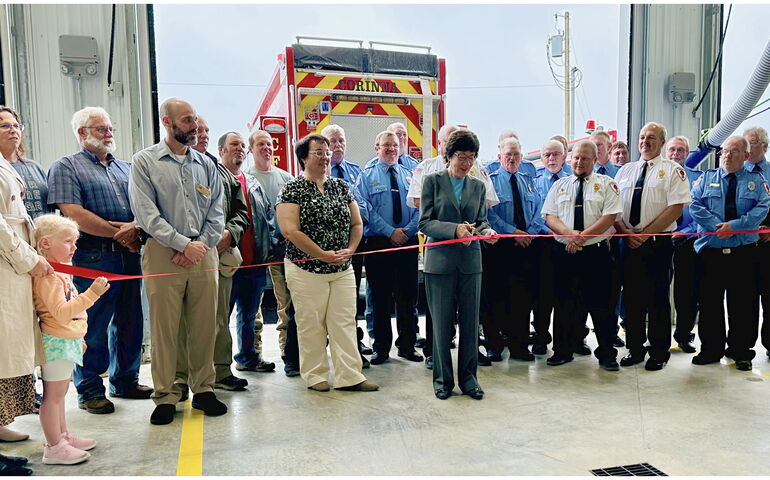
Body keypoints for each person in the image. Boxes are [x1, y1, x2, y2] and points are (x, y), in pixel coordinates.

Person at [129, 98, 226, 425]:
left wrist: (200, 245)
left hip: (203, 253)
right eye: (187, 121)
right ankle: (167, 395)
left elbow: (217, 212)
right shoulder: (144, 162)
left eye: (195, 120)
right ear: (167, 123)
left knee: (203, 325)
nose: (195, 127)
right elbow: (146, 214)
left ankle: (204, 390)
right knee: (164, 328)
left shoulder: (206, 165)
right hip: (162, 253)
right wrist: (183, 244)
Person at [47, 107, 150, 415]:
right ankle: (90, 389)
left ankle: (125, 380)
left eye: (109, 128)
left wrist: (135, 229)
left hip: (131, 255)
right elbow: (72, 213)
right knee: (92, 325)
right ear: (82, 133)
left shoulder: (127, 168)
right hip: (94, 256)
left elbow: (143, 207)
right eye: (101, 129)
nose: (109, 133)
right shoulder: (66, 167)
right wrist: (117, 232)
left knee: (130, 321)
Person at [276, 134, 378, 392]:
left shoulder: (341, 187)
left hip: (342, 269)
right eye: (318, 152)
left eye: (327, 152)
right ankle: (315, 375)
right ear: (304, 158)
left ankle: (350, 375)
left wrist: (350, 250)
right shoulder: (291, 189)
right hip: (305, 269)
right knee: (311, 323)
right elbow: (290, 231)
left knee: (344, 321)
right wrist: (321, 254)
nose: (325, 157)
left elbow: (357, 224)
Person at [407, 124, 498, 367]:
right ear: (449, 156)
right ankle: (443, 379)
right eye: (461, 157)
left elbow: (481, 222)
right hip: (440, 262)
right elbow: (425, 223)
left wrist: (487, 232)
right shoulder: (431, 181)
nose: (466, 163)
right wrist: (453, 229)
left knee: (470, 323)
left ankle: (469, 379)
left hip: (470, 262)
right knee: (441, 324)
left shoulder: (477, 186)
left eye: (471, 158)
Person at [175, 119, 250, 396]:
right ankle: (179, 380)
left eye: (207, 130)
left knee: (218, 319)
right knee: (180, 323)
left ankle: (220, 371)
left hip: (218, 257)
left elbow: (240, 213)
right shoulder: (167, 167)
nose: (202, 134)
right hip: (178, 256)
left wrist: (229, 234)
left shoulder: (224, 175)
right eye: (198, 130)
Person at [614, 122, 691, 371]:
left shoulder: (672, 171)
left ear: (662, 142)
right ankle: (635, 349)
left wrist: (645, 234)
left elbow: (676, 207)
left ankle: (659, 352)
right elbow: (613, 207)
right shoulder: (625, 170)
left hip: (657, 244)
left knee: (657, 298)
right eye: (642, 137)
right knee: (632, 300)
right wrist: (626, 233)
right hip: (628, 243)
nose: (645, 141)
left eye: (652, 138)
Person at [32, 214, 108, 465]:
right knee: (53, 396)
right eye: (67, 241)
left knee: (61, 393)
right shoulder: (48, 277)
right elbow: (62, 314)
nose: (74, 248)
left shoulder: (59, 273)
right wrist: (92, 294)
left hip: (65, 340)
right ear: (45, 244)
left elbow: (70, 317)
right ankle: (53, 447)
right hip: (55, 341)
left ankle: (62, 436)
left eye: (75, 242)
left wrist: (78, 338)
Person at [689, 136, 770, 371]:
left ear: (745, 156)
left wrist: (734, 226)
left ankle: (741, 351)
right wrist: (718, 226)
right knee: (709, 302)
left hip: (743, 252)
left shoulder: (757, 181)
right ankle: (711, 349)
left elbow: (762, 208)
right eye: (724, 151)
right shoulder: (707, 178)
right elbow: (695, 205)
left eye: (734, 152)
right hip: (711, 251)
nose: (727, 155)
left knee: (743, 304)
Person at [542, 140, 623, 371]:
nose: (579, 162)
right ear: (571, 158)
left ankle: (607, 354)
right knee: (564, 304)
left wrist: (581, 238)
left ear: (595, 160)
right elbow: (550, 217)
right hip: (564, 253)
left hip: (595, 255)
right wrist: (570, 235)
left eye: (585, 158)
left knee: (603, 306)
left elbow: (609, 217)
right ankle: (562, 350)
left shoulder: (607, 185)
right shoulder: (560, 186)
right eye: (576, 157)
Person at [0, 150, 53, 476]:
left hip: (13, 266)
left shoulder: (8, 164)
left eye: (13, 124)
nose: (11, 130)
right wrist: (28, 258)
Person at [356, 131, 422, 364]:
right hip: (379, 243)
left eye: (395, 145)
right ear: (377, 148)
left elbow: (419, 207)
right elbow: (364, 209)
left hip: (407, 241)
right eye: (386, 146)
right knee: (381, 299)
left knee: (408, 298)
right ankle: (381, 348)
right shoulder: (366, 176)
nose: (391, 149)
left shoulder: (409, 175)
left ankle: (407, 346)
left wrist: (408, 231)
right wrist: (389, 231)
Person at [218, 132, 278, 375]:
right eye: (234, 145)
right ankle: (220, 367)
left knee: (250, 315)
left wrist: (270, 247)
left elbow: (268, 218)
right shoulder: (216, 179)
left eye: (243, 145)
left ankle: (247, 357)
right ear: (221, 149)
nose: (240, 149)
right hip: (226, 262)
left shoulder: (252, 183)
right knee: (221, 318)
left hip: (255, 262)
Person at [484, 136, 547, 361]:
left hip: (526, 248)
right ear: (499, 156)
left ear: (522, 157)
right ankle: (494, 345)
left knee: (523, 299)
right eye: (508, 154)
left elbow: (540, 209)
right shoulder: (489, 181)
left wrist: (528, 233)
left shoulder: (529, 181)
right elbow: (488, 215)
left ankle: (519, 345)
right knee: (496, 298)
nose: (512, 158)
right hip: (500, 248)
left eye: (516, 154)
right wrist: (513, 232)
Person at [320, 124, 372, 362]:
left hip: (352, 246)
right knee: (322, 303)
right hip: (323, 248)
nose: (338, 145)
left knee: (351, 300)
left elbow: (362, 206)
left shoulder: (355, 172)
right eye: (333, 141)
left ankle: (354, 344)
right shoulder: (318, 171)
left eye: (341, 140)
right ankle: (323, 345)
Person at [247, 129, 294, 374]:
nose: (266, 148)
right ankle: (254, 353)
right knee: (252, 304)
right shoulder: (243, 178)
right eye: (261, 144)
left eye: (269, 144)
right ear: (251, 149)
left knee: (286, 301)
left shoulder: (286, 178)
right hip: (253, 251)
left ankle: (287, 350)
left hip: (281, 250)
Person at [532, 139, 571, 355]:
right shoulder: (535, 180)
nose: (551, 159)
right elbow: (535, 213)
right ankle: (540, 337)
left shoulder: (573, 179)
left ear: (565, 156)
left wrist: (565, 233)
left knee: (566, 294)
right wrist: (550, 230)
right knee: (542, 295)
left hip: (567, 244)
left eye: (556, 154)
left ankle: (568, 340)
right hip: (543, 243)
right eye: (547, 155)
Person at [666, 136, 703, 353]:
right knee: (657, 289)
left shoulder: (697, 179)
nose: (676, 154)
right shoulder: (654, 176)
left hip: (687, 241)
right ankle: (656, 335)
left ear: (687, 154)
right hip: (659, 239)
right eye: (672, 149)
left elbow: (703, 211)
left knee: (687, 292)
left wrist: (684, 232)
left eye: (681, 150)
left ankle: (684, 334)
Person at [742, 126, 770, 360]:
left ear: (765, 146)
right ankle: (743, 346)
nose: (748, 149)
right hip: (746, 243)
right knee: (745, 298)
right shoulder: (738, 173)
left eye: (752, 143)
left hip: (768, 243)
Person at [0, 106, 49, 218]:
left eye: (16, 126)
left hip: (42, 233)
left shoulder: (34, 167)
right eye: (5, 126)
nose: (13, 131)